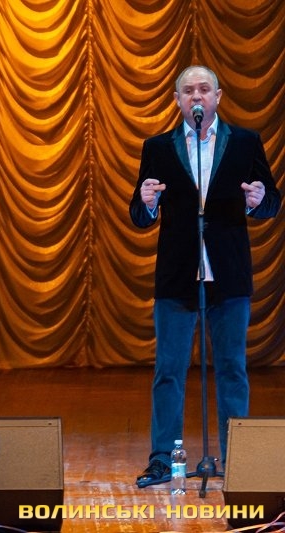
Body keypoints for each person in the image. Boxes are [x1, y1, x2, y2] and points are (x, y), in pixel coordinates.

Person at [130, 65, 280, 486]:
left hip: (228, 275)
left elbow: (271, 202)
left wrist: (259, 199)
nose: (196, 97)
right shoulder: (158, 147)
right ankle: (163, 459)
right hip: (177, 276)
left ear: (218, 96)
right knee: (169, 371)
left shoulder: (245, 142)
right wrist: (146, 201)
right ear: (177, 100)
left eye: (204, 90)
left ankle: (238, 459)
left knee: (232, 369)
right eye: (188, 91)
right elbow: (139, 214)